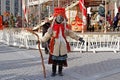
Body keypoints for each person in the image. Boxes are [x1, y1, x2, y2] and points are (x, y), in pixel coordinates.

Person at [40, 7, 85, 77]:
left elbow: (71, 33)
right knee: (54, 61)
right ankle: (54, 72)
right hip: (55, 46)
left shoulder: (65, 27)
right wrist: (41, 40)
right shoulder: (52, 28)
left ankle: (60, 71)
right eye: (59, 17)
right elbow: (47, 35)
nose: (60, 18)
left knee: (61, 60)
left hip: (63, 46)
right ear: (56, 18)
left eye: (61, 17)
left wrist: (79, 38)